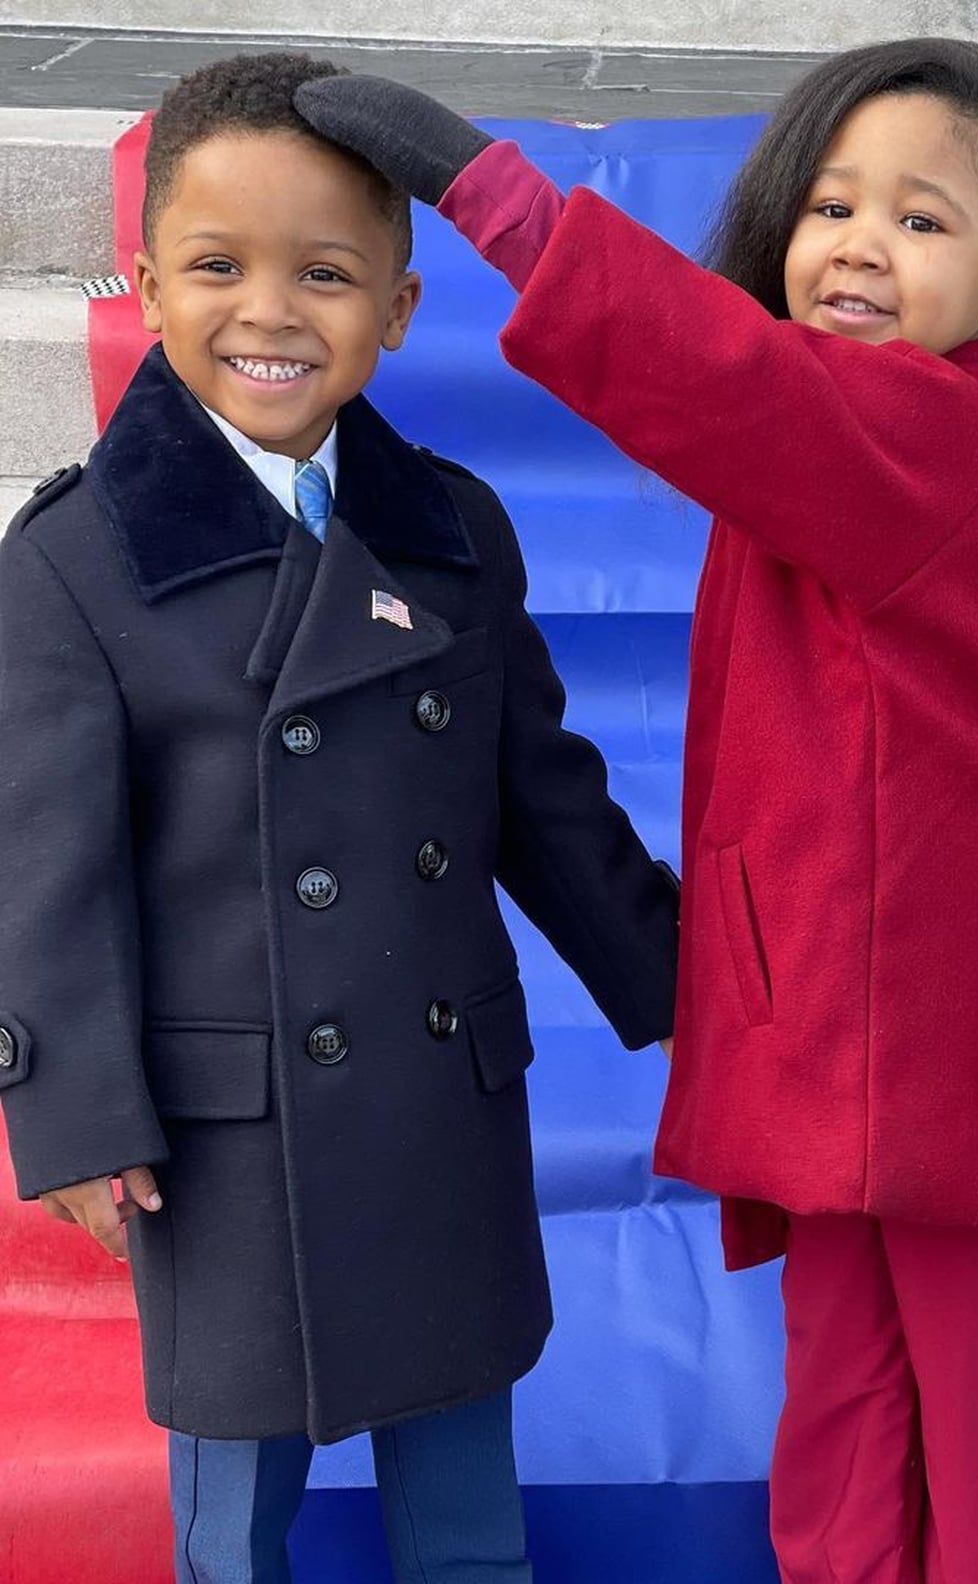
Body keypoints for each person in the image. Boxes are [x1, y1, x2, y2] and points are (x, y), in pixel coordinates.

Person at [298, 36, 978, 1583]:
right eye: (832, 206)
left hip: (956, 1034)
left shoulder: (923, 432)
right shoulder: (846, 438)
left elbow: (717, 376)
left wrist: (488, 189)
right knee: (849, 1377)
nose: (859, 244)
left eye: (921, 219)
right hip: (851, 1021)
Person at [0, 51, 679, 1584]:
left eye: (324, 272)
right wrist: (75, 1112)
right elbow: (47, 874)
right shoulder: (73, 563)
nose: (271, 312)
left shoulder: (453, 530)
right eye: (217, 267)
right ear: (146, 286)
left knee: (464, 1511)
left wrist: (688, 984)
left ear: (400, 307)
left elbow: (543, 802)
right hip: (233, 1134)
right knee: (234, 1525)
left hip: (438, 1100)